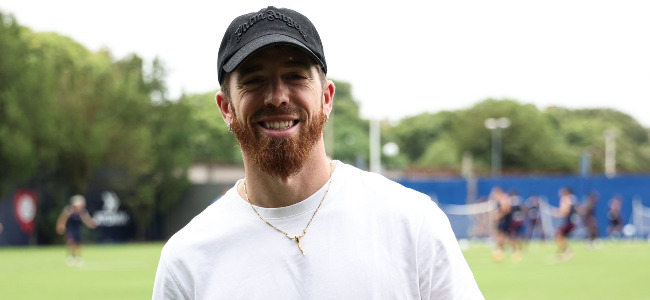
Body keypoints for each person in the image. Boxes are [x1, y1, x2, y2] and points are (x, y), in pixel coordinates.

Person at [153, 6, 483, 299]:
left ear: (326, 97)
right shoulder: (189, 259)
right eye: (253, 80)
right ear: (226, 108)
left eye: (295, 76)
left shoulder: (412, 223)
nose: (277, 96)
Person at [56, 194, 97, 266]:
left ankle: (78, 257)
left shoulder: (82, 212)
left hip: (78, 228)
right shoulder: (69, 210)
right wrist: (61, 226)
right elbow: (63, 219)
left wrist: (91, 224)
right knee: (71, 242)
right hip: (70, 228)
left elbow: (86, 219)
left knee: (78, 243)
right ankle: (71, 257)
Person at [553, 187, 577, 261]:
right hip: (570, 221)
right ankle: (565, 251)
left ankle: (566, 251)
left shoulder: (566, 199)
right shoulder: (571, 199)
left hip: (568, 222)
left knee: (558, 235)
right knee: (561, 237)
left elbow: (565, 212)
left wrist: (557, 213)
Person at [490, 186, 511, 262]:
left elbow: (506, 209)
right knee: (500, 235)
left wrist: (499, 215)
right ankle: (500, 250)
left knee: (500, 235)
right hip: (504, 220)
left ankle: (500, 250)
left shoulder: (502, 198)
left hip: (503, 220)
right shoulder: (502, 198)